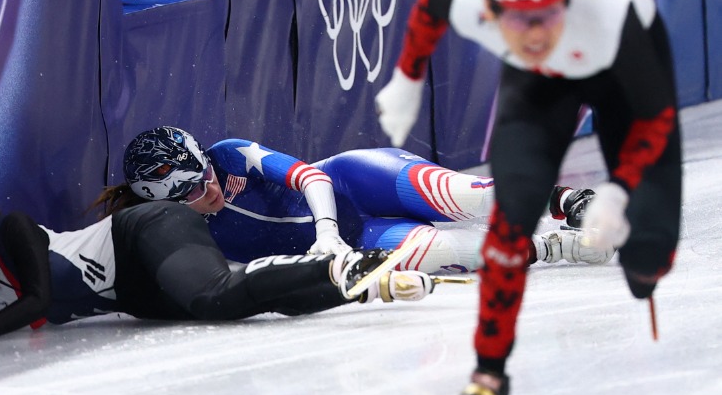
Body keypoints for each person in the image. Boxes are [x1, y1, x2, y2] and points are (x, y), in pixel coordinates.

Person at [374, 0, 681, 395]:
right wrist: (407, 79)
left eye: (550, 11)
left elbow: (655, 121)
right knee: (509, 227)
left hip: (623, 80)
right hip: (541, 88)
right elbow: (428, 8)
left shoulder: (611, 9)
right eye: (520, 17)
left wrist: (619, 191)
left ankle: (646, 263)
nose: (536, 34)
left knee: (646, 263)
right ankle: (487, 380)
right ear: (490, 8)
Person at [0, 167, 436, 344]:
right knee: (241, 307)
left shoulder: (12, 231)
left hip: (142, 234)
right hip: (136, 293)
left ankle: (342, 263)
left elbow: (37, 299)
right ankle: (366, 284)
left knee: (215, 295)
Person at [93, 126, 612, 277]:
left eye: (207, 173)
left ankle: (568, 200)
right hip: (360, 239)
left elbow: (310, 176)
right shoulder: (173, 229)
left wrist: (324, 232)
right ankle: (557, 247)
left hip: (357, 183)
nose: (210, 188)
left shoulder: (229, 154)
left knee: (462, 196)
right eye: (193, 191)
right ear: (167, 202)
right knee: (454, 252)